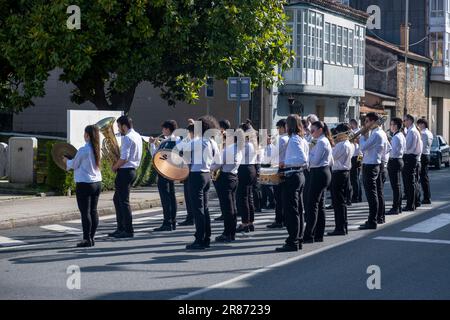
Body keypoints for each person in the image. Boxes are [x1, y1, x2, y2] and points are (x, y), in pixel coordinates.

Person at [182, 115, 221, 250]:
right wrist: (209, 168)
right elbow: (219, 162)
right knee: (205, 208)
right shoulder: (212, 142)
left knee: (197, 209)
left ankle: (199, 239)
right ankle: (206, 238)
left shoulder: (195, 142)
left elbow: (185, 160)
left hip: (196, 175)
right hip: (206, 175)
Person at [64, 125, 102, 247]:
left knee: (85, 212)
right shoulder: (97, 149)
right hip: (97, 182)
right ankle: (92, 237)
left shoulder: (83, 150)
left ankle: (86, 239)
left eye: (84, 133)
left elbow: (74, 165)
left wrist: (66, 161)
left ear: (87, 135)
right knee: (94, 211)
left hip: (84, 183)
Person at [275, 115, 309, 252]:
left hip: (293, 175)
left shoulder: (294, 139)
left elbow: (303, 159)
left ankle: (293, 240)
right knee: (299, 210)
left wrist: (286, 163)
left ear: (289, 126)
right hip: (298, 175)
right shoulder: (301, 139)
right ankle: (298, 239)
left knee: (292, 210)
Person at [109, 116, 143, 238]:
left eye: (118, 126)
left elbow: (124, 158)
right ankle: (121, 228)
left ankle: (128, 230)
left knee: (123, 201)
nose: (118, 129)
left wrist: (114, 167)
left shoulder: (128, 138)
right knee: (117, 200)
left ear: (124, 126)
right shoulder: (137, 135)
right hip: (131, 171)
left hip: (125, 171)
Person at [304, 121, 333, 242]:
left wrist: (308, 154)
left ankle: (309, 234)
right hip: (322, 172)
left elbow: (314, 161)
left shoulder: (321, 141)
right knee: (320, 205)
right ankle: (318, 234)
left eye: (313, 131)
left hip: (319, 172)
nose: (311, 133)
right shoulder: (318, 140)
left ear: (320, 130)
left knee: (312, 205)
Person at [211, 129, 242, 242]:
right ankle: (231, 232)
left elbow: (218, 164)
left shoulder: (228, 149)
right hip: (234, 177)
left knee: (227, 208)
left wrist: (209, 168)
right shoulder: (238, 148)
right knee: (232, 207)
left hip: (225, 178)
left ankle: (227, 233)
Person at [149, 120, 180, 231]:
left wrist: (152, 144)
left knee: (166, 198)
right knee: (171, 196)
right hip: (172, 171)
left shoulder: (167, 141)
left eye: (163, 129)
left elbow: (156, 157)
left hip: (164, 172)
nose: (162, 131)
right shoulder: (177, 140)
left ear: (167, 129)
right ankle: (172, 221)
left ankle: (167, 223)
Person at [358, 113, 386, 230]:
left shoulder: (376, 134)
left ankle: (372, 220)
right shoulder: (380, 133)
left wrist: (362, 137)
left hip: (371, 165)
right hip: (376, 164)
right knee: (377, 193)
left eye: (367, 121)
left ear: (373, 121)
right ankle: (378, 217)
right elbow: (387, 148)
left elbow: (363, 147)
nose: (365, 124)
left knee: (371, 194)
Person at [328, 123, 355, 236]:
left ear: (342, 133)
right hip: (345, 173)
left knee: (338, 202)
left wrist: (331, 145)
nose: (336, 135)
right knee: (341, 202)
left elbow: (330, 159)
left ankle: (340, 228)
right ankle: (343, 226)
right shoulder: (349, 144)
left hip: (338, 173)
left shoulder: (341, 145)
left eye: (338, 133)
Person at [236, 120, 259, 233]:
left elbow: (238, 158)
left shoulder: (245, 145)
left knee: (243, 197)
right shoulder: (252, 143)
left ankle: (245, 223)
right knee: (249, 197)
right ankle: (250, 222)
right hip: (252, 169)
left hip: (244, 170)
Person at [267, 119, 289, 229]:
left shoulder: (281, 139)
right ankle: (284, 218)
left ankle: (279, 220)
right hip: (286, 168)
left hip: (278, 168)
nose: (277, 130)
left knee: (278, 196)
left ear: (282, 127)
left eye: (278, 128)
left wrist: (269, 145)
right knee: (284, 196)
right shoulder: (289, 138)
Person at [402, 114, 422, 212]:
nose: (404, 122)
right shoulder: (412, 131)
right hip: (412, 157)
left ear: (410, 120)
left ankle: (410, 204)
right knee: (412, 182)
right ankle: (414, 202)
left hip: (410, 157)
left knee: (410, 183)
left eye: (405, 120)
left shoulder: (412, 132)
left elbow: (407, 146)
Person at [387, 118, 406, 215]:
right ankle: (398, 206)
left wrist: (388, 145)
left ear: (396, 126)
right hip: (399, 160)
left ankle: (396, 207)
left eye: (392, 124)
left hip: (394, 161)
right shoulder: (401, 135)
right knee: (397, 186)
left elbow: (392, 151)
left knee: (396, 186)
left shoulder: (396, 137)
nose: (390, 126)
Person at [376, 125, 392, 224]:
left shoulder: (384, 143)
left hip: (382, 166)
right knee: (379, 193)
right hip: (383, 166)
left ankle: (380, 216)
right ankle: (381, 216)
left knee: (379, 193)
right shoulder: (387, 144)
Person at [417, 118, 433, 205]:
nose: (418, 126)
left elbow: (420, 145)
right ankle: (427, 197)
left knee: (422, 178)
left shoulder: (423, 133)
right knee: (425, 178)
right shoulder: (429, 132)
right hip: (427, 154)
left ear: (422, 124)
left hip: (423, 155)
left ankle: (426, 197)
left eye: (419, 124)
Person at [260, 135, 276, 209]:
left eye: (268, 139)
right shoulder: (264, 147)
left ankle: (272, 202)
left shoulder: (271, 147)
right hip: (263, 166)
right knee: (263, 186)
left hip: (268, 166)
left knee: (268, 186)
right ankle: (264, 202)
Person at [349, 119, 363, 203]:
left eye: (350, 124)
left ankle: (356, 196)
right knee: (356, 177)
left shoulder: (357, 132)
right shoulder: (355, 131)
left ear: (353, 124)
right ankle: (358, 196)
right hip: (357, 156)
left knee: (355, 177)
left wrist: (359, 161)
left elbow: (359, 144)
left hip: (357, 156)